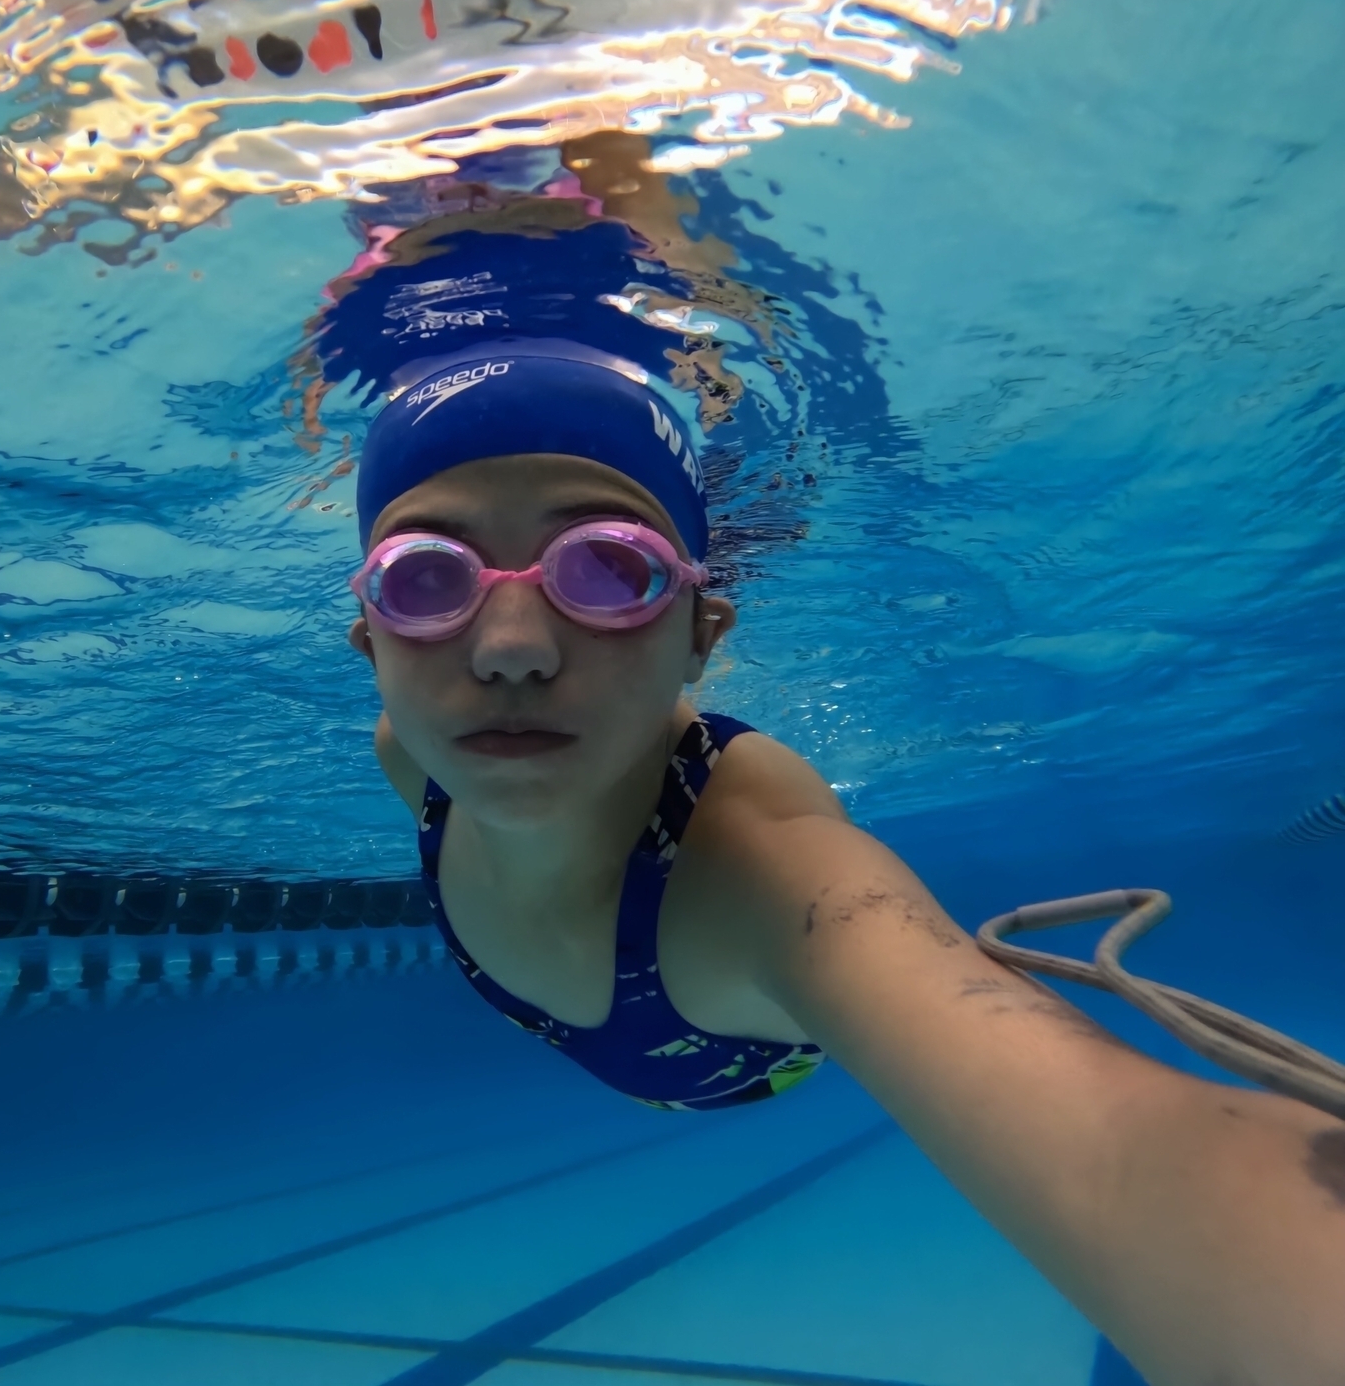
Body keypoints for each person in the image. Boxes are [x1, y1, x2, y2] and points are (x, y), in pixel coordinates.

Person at [346, 339, 1345, 1386]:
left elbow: (1118, 1161)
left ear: (701, 634)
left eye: (608, 570)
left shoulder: (766, 873)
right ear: (370, 643)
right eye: (425, 580)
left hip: (739, 1071)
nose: (511, 647)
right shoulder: (413, 757)